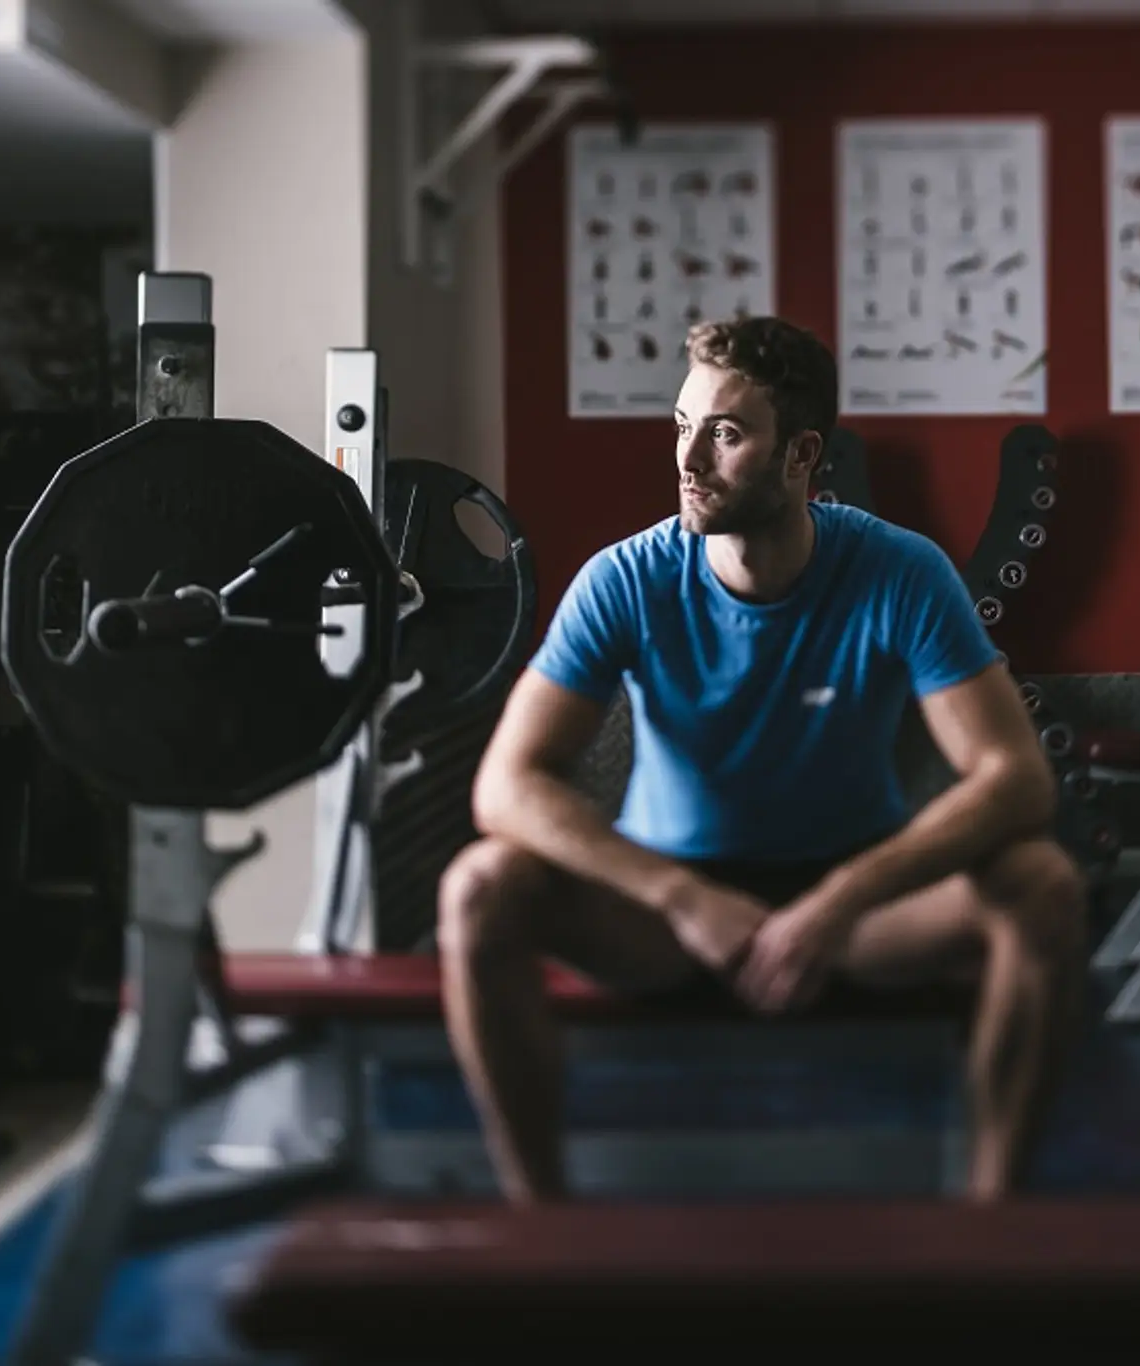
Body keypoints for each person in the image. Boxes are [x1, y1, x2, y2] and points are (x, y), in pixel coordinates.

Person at [438, 316, 1086, 1204]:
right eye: (681, 425)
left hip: (852, 914)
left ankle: (993, 1213)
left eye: (726, 434)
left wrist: (841, 899)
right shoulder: (625, 579)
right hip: (668, 916)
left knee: (1041, 884)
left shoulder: (900, 571)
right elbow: (506, 787)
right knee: (479, 888)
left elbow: (1017, 780)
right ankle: (540, 1211)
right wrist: (680, 895)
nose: (688, 460)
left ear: (801, 454)